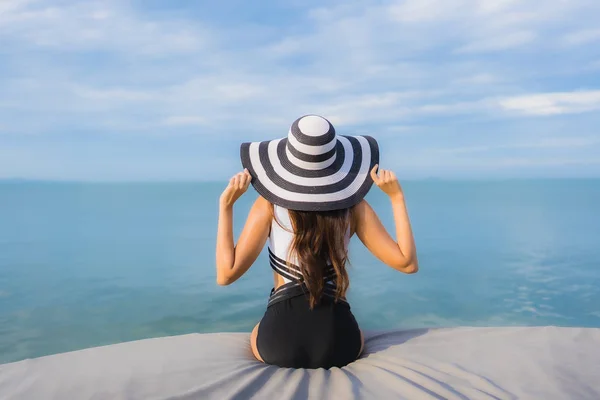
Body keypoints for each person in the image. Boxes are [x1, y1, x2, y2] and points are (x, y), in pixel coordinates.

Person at [215, 115, 418, 369]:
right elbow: (407, 263)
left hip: (280, 341)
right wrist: (396, 198)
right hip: (339, 342)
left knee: (257, 330)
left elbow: (226, 274)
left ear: (287, 162)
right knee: (356, 332)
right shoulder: (353, 208)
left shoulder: (268, 206)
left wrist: (226, 206)